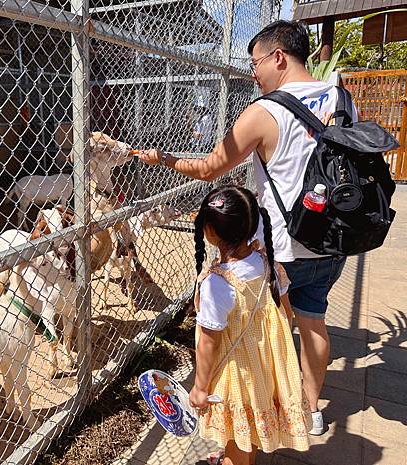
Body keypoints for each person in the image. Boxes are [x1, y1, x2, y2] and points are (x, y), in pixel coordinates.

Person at [138, 20, 358, 435]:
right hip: (334, 237)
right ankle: (309, 410)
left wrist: (165, 159)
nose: (252, 72)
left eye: (254, 62)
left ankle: (268, 409)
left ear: (278, 57)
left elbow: (208, 168)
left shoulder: (265, 111)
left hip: (282, 247)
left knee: (272, 328)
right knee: (314, 321)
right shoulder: (343, 98)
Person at [189, 185, 311, 465]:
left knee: (237, 441)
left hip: (237, 373)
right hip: (265, 366)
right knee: (251, 429)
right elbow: (286, 314)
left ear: (209, 230)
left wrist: (200, 387)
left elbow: (209, 341)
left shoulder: (217, 283)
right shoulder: (268, 263)